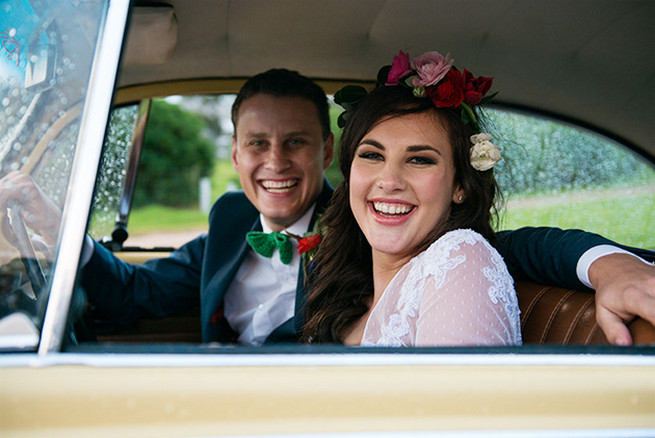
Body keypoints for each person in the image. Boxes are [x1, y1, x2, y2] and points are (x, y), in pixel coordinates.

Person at [0, 68, 653, 346]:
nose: (276, 163)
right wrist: (61, 236)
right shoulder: (231, 221)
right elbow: (138, 296)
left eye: (296, 144)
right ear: (234, 154)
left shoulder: (377, 223)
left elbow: (498, 247)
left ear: (325, 153)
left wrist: (608, 265)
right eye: (258, 144)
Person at [303, 51, 521, 345]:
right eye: (372, 155)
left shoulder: (460, 257)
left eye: (419, 160)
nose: (390, 181)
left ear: (461, 185)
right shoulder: (340, 290)